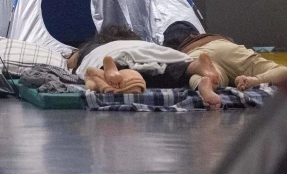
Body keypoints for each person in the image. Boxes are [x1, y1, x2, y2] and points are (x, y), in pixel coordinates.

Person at [66, 24, 225, 110]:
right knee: (169, 70)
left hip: (115, 55)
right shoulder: (144, 44)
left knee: (125, 69)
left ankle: (112, 68)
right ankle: (196, 65)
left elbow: (72, 61)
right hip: (156, 54)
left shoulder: (95, 47)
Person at [162, 21, 287, 91]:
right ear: (194, 34)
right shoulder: (205, 36)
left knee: (203, 75)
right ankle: (255, 80)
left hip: (194, 55)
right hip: (223, 46)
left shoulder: (179, 53)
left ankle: (203, 83)